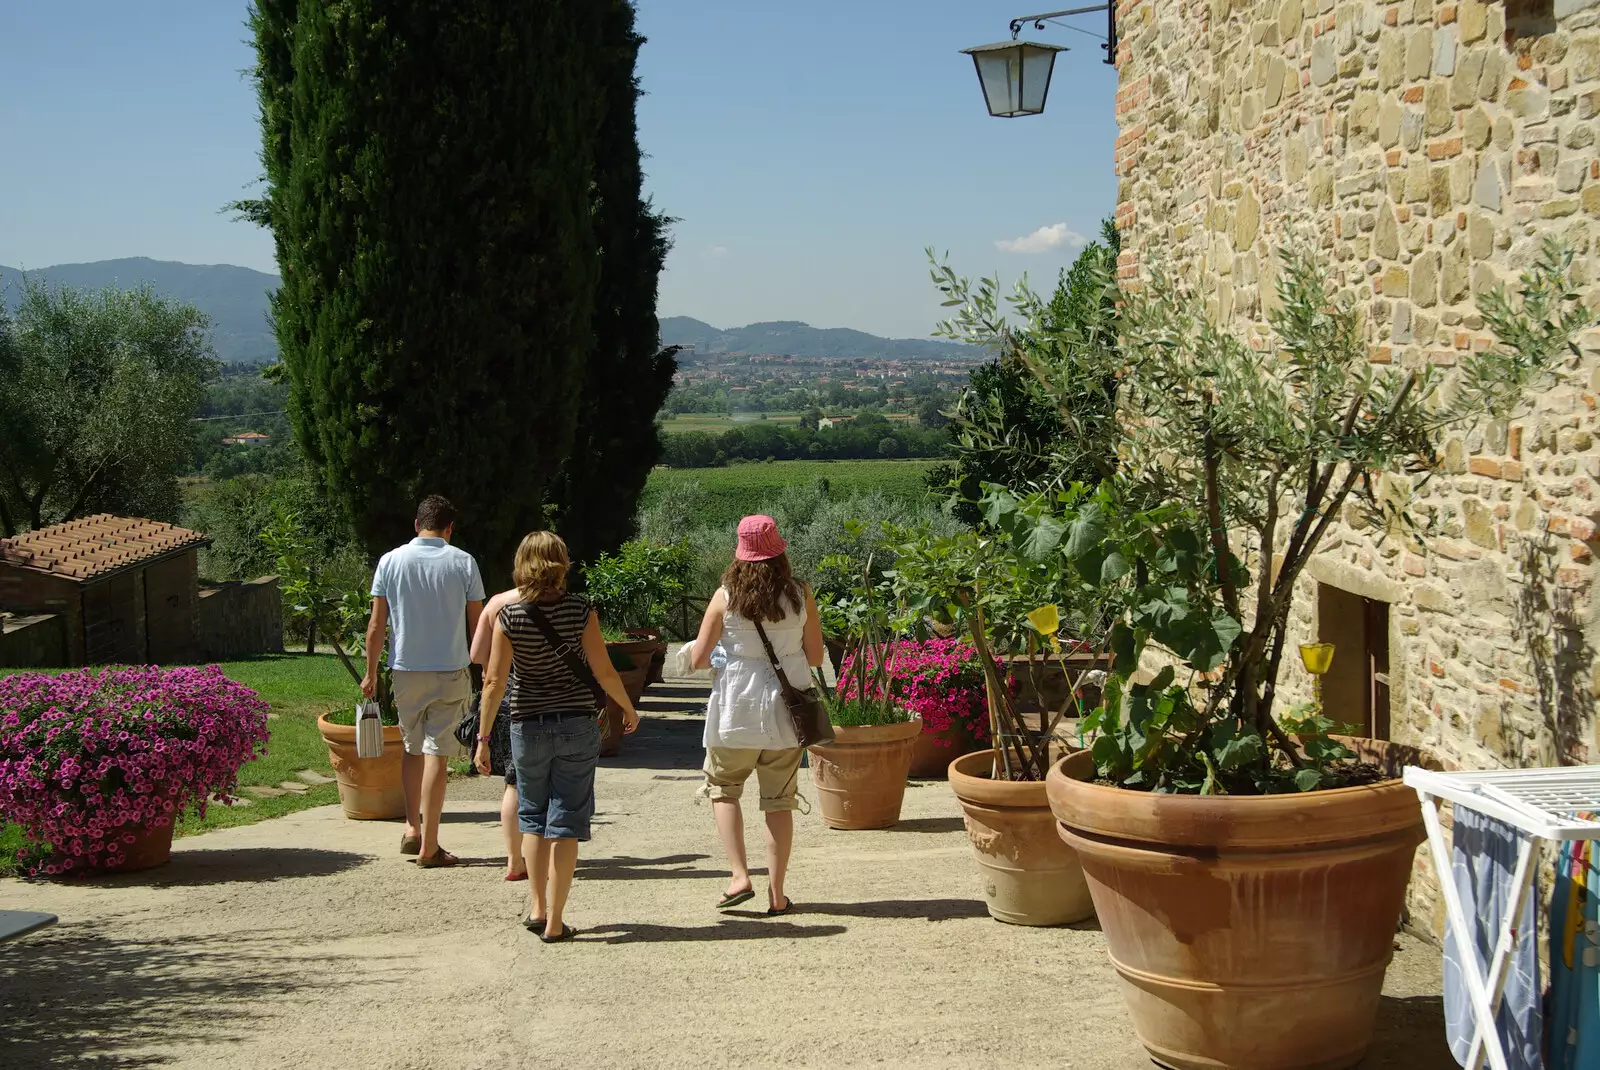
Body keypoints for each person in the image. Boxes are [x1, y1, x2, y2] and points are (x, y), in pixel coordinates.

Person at [477, 531, 639, 942]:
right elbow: (604, 671)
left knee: (532, 816)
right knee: (566, 818)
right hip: (576, 725)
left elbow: (494, 681)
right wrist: (628, 708)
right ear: (562, 563)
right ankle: (556, 920)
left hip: (527, 726)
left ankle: (536, 906)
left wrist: (482, 736)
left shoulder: (509, 617)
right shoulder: (581, 610)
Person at [684, 514, 824, 916]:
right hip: (786, 714)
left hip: (735, 712)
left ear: (740, 554)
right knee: (779, 801)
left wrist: (728, 654)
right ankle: (777, 894)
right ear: (780, 551)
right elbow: (815, 657)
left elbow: (697, 658)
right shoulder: (800, 594)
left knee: (724, 789)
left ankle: (739, 876)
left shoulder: (724, 596)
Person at [362, 495, 485, 869]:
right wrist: (483, 670)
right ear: (449, 528)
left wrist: (370, 672)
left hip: (405, 669)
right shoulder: (463, 561)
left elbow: (376, 625)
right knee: (437, 753)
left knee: (412, 749)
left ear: (417, 524)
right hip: (449, 669)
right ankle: (430, 846)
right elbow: (477, 624)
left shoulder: (390, 561)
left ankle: (411, 828)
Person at [470, 585, 527, 881]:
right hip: (549, 698)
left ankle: (515, 859)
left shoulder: (497, 603)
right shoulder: (559, 600)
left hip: (506, 697)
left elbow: (477, 653)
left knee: (513, 783)